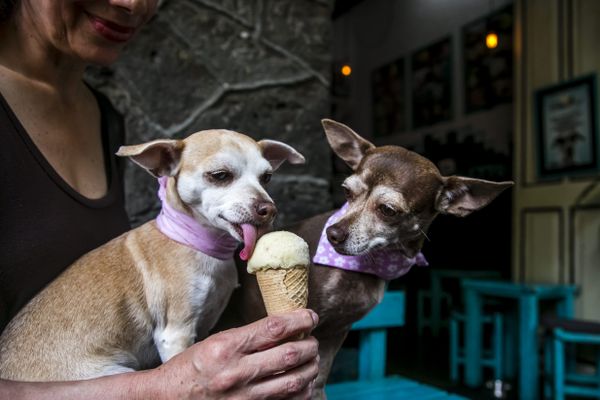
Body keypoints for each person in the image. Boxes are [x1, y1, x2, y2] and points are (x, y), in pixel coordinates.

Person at [0, 1, 319, 399]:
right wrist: (157, 388)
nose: (131, 2)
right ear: (162, 162)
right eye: (220, 176)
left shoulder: (106, 118)